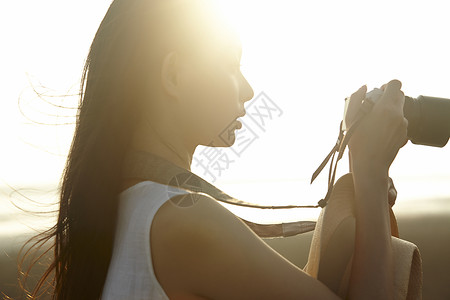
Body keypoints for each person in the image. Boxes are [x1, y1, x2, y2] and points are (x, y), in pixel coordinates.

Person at [23, 0, 408, 299]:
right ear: (173, 75)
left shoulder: (120, 209)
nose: (247, 89)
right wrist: (370, 173)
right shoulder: (183, 222)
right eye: (229, 64)